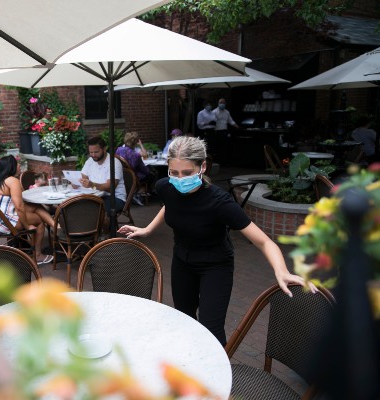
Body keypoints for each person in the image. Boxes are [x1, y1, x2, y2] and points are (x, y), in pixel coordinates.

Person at [117, 136, 315, 346]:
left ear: (202, 167)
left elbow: (265, 242)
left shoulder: (220, 202)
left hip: (215, 265)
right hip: (182, 262)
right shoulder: (166, 187)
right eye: (174, 173)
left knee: (211, 328)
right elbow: (170, 205)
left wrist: (282, 271)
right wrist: (148, 229)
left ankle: (215, 374)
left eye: (187, 173)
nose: (180, 179)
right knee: (183, 319)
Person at [0, 155, 55, 265]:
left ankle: (56, 226)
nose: (19, 165)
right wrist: (27, 226)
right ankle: (38, 256)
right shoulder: (12, 181)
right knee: (39, 221)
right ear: (12, 166)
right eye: (17, 163)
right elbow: (19, 207)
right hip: (7, 222)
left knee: (35, 206)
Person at [79, 136, 127, 231]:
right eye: (91, 152)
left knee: (92, 208)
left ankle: (102, 236)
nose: (93, 155)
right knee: (77, 205)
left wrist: (92, 185)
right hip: (96, 196)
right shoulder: (90, 161)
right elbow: (83, 176)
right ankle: (84, 233)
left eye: (96, 152)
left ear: (104, 149)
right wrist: (81, 182)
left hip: (114, 198)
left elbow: (110, 187)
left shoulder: (114, 163)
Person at [116, 132, 158, 205]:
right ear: (135, 142)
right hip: (134, 177)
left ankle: (135, 192)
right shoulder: (135, 155)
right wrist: (149, 170)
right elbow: (144, 170)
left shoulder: (119, 149)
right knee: (151, 175)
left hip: (122, 175)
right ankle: (138, 193)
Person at [212, 98, 238, 164]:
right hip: (217, 131)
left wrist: (236, 126)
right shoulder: (214, 112)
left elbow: (231, 121)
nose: (222, 104)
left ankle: (224, 161)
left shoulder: (227, 112)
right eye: (221, 102)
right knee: (218, 147)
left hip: (224, 131)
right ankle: (218, 161)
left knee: (225, 147)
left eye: (223, 103)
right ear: (218, 103)